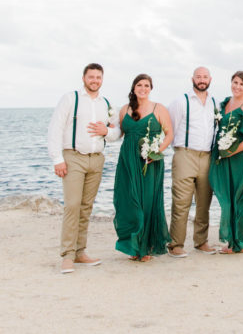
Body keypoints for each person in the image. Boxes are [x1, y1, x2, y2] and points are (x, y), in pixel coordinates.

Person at [47, 63, 119, 274]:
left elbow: (116, 133)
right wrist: (57, 159)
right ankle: (67, 255)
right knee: (72, 206)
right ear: (84, 78)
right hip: (73, 158)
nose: (95, 80)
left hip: (96, 160)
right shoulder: (71, 99)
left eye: (98, 77)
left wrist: (106, 130)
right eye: (91, 77)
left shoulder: (106, 104)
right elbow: (55, 129)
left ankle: (80, 252)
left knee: (86, 207)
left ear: (102, 79)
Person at [113, 74, 173, 261]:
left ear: (151, 88)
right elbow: (117, 133)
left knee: (147, 202)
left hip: (150, 162)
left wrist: (156, 152)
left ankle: (145, 247)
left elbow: (169, 134)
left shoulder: (159, 109)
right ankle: (133, 245)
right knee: (129, 201)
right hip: (128, 161)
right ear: (134, 87)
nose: (143, 88)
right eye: (139, 85)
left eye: (146, 85)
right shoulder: (124, 110)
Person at [166, 67, 219, 258]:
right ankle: (176, 244)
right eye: (199, 77)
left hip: (207, 157)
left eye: (205, 77)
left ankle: (201, 241)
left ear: (210, 79)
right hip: (185, 155)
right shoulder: (181, 102)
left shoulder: (215, 103)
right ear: (193, 79)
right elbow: (170, 129)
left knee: (204, 202)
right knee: (181, 201)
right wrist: (179, 150)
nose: (202, 80)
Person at [209, 70, 243, 254]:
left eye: (242, 84)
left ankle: (239, 242)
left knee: (241, 198)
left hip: (240, 158)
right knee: (226, 198)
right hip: (222, 157)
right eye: (235, 82)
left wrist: (233, 151)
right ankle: (233, 239)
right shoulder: (225, 103)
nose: (237, 87)